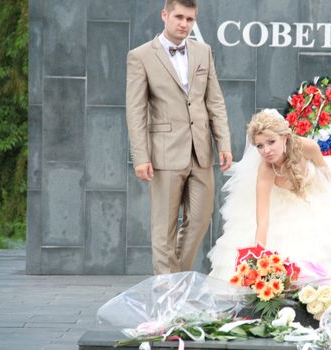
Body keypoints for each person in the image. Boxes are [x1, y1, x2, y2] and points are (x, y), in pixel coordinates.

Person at [208, 109, 331, 280]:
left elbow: (328, 177)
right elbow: (263, 221)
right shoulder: (265, 171)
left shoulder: (307, 147)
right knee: (292, 253)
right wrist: (259, 257)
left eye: (271, 142)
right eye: (259, 145)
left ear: (284, 137)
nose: (266, 150)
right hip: (283, 209)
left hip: (316, 198)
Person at [126, 0, 232, 275]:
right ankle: (168, 294)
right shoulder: (140, 56)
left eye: (190, 19)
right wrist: (141, 156)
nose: (184, 24)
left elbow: (215, 100)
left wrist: (224, 143)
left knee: (199, 220)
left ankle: (176, 281)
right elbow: (135, 111)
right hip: (164, 153)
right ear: (165, 15)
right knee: (164, 228)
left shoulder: (203, 51)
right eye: (179, 17)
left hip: (201, 151)